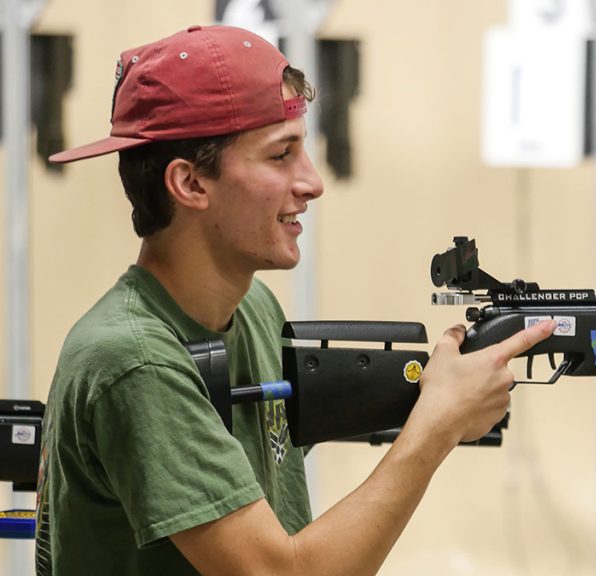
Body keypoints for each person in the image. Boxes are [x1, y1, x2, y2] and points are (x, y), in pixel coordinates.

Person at [36, 25, 554, 575]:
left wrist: (442, 398)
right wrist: (436, 425)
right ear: (189, 184)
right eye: (281, 155)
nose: (311, 182)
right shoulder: (134, 361)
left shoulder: (253, 308)